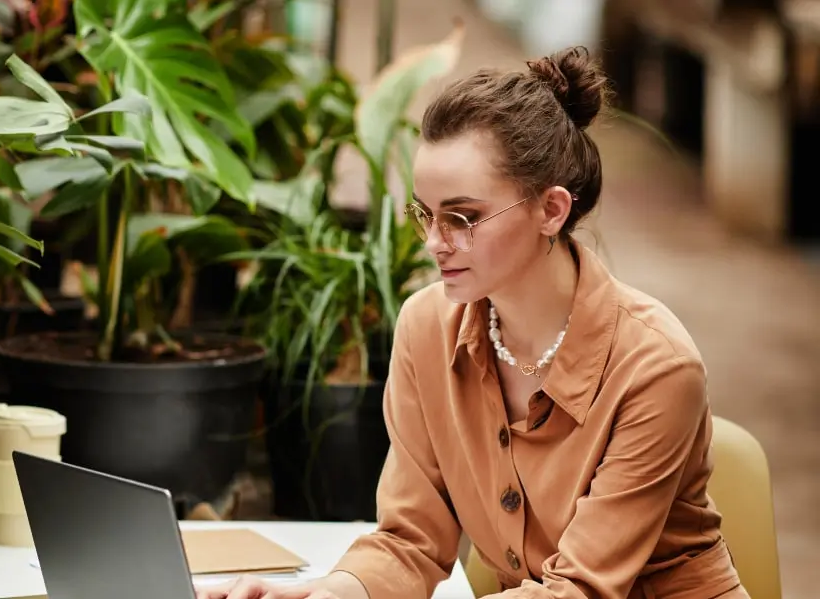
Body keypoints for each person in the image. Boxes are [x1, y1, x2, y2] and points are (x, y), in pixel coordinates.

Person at [196, 46, 748, 599]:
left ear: (552, 210)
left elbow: (580, 589)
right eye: (424, 214)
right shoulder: (427, 327)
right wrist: (329, 593)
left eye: (463, 217)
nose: (436, 243)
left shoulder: (656, 366)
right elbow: (410, 539)